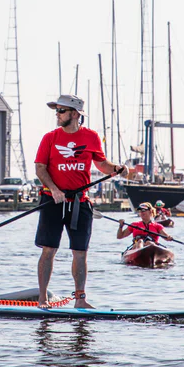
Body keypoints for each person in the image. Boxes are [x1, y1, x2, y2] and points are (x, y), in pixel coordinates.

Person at [34, 94, 128, 309]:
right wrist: (55, 190)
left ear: (75, 114)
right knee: (48, 250)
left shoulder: (91, 137)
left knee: (80, 252)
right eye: (56, 110)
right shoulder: (50, 138)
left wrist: (117, 169)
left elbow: (102, 164)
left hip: (80, 202)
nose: (57, 115)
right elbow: (40, 168)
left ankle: (80, 299)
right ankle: (42, 299)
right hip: (52, 201)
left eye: (61, 111)